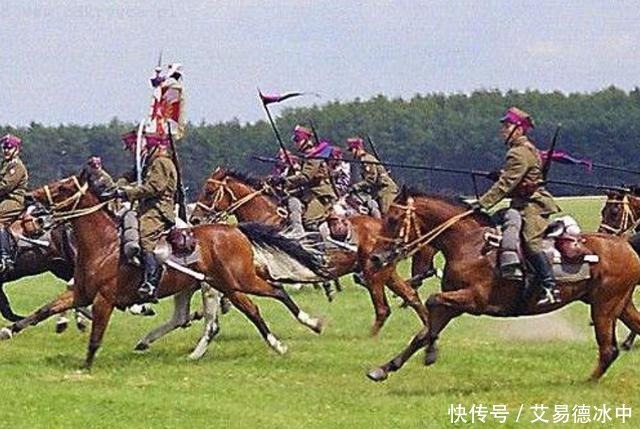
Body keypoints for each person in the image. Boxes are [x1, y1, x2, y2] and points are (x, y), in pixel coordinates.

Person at [472, 107, 561, 305]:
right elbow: (512, 178)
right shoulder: (524, 151)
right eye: (503, 126)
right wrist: (500, 174)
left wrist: (481, 204)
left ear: (519, 129)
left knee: (530, 241)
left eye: (507, 126)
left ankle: (550, 286)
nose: (502, 130)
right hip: (520, 203)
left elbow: (506, 185)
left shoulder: (519, 153)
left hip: (533, 205)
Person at [281, 125, 337, 234]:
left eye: (297, 140)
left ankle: (319, 247)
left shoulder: (314, 156)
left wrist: (285, 180)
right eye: (295, 140)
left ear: (305, 141)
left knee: (309, 221)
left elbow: (306, 177)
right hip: (309, 193)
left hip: (320, 195)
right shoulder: (307, 156)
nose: (295, 143)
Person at [346, 137, 399, 218]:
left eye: (352, 150)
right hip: (378, 191)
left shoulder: (367, 160)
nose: (351, 153)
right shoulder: (363, 160)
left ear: (358, 148)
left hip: (385, 190)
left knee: (386, 214)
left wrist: (355, 187)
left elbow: (371, 180)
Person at [0, 134, 28, 272]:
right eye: (4, 147)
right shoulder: (5, 165)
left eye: (9, 148)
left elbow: (5, 186)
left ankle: (4, 257)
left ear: (16, 150)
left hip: (14, 200)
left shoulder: (16, 167)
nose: (6, 150)